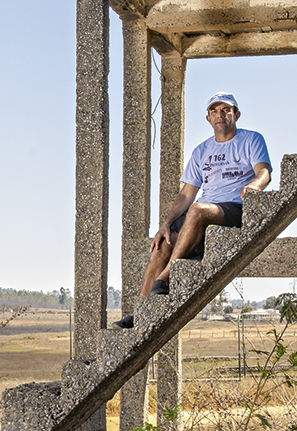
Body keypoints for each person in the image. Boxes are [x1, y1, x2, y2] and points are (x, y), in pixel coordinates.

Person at [114, 92, 271, 329]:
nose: (221, 115)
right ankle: (140, 314)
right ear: (208, 118)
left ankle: (164, 279)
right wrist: (165, 225)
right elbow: (187, 194)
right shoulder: (201, 151)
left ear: (236, 115)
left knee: (198, 210)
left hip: (234, 208)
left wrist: (254, 186)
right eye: (215, 111)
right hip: (203, 208)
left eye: (226, 110)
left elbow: (264, 172)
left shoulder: (251, 140)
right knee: (162, 243)